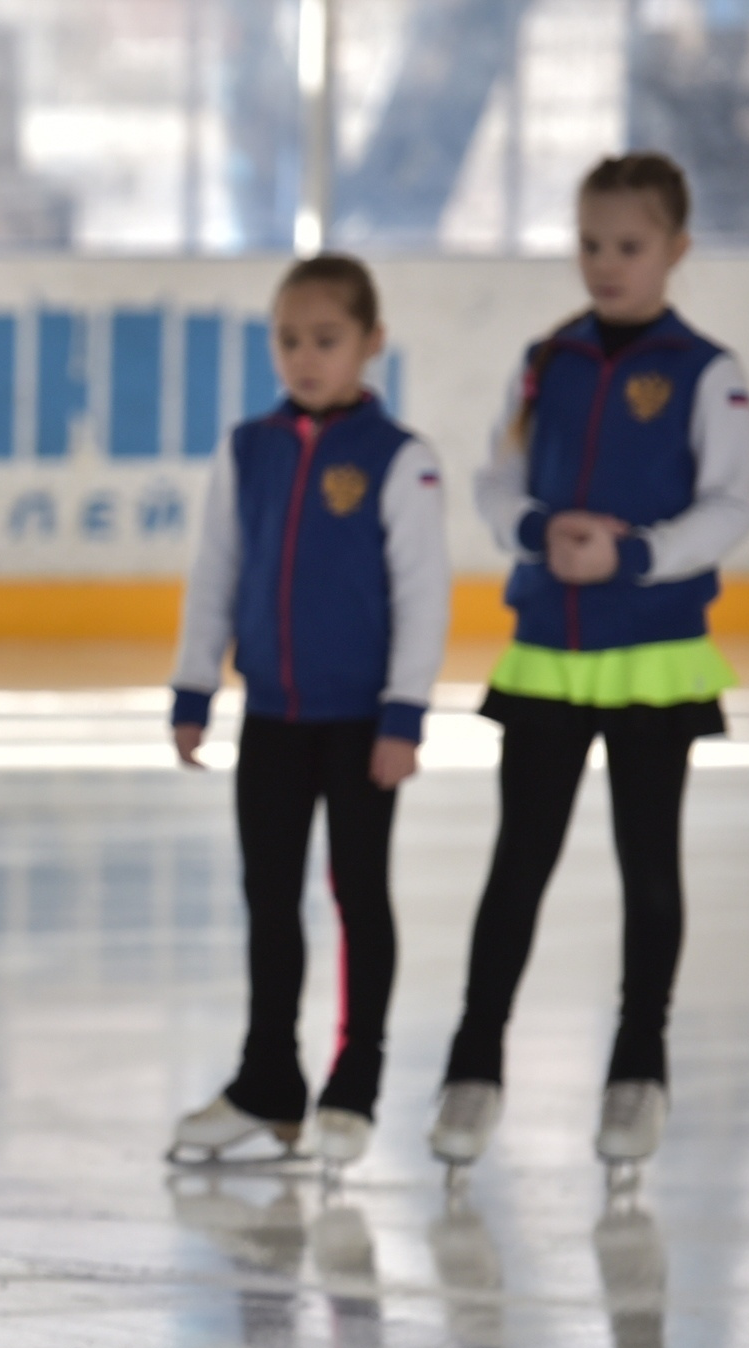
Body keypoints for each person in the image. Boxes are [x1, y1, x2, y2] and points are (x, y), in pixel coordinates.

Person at [430, 152, 749, 1179]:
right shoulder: (544, 361)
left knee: (646, 866)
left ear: (674, 250)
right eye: (588, 243)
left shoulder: (708, 372)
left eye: (628, 245)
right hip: (549, 654)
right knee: (516, 864)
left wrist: (638, 551)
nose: (605, 264)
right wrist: (534, 526)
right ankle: (473, 1063)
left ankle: (637, 1065)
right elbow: (495, 475)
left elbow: (732, 506)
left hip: (653, 655)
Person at [166, 254, 450, 1173]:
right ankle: (268, 1080)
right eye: (289, 339)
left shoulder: (399, 460)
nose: (305, 357)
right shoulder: (249, 449)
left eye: (326, 340)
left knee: (358, 896)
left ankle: (355, 1082)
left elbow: (424, 593)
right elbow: (216, 573)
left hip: (363, 722)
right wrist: (193, 687)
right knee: (268, 898)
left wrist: (405, 714)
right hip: (276, 717)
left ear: (372, 343)